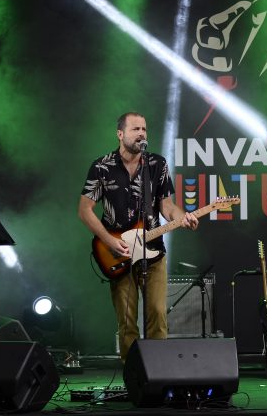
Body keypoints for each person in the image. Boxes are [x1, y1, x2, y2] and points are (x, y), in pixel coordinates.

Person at [78, 112, 199, 362]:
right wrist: (109, 241)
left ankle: (158, 371)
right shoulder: (101, 167)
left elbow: (167, 206)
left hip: (153, 251)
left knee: (157, 313)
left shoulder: (157, 164)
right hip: (118, 252)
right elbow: (84, 210)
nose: (142, 133)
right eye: (135, 129)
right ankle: (132, 373)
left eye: (144, 129)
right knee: (126, 319)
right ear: (120, 134)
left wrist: (183, 216)